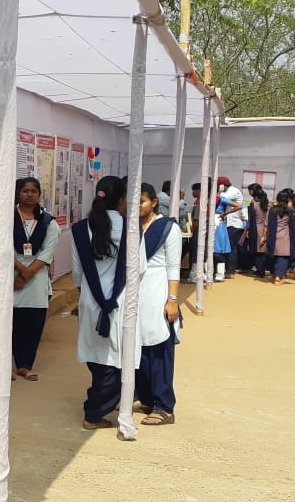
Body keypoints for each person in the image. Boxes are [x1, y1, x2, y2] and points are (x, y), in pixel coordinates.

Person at [71, 176, 129, 430]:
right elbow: (138, 270)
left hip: (90, 299)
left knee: (96, 353)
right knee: (115, 357)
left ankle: (100, 402)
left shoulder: (81, 228)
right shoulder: (130, 228)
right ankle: (94, 411)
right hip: (119, 301)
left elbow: (76, 271)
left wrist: (87, 294)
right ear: (121, 201)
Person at [135, 183, 182, 426]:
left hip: (158, 290)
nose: (137, 206)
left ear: (154, 202)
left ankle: (164, 406)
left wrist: (172, 300)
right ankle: (145, 398)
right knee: (138, 348)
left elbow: (173, 267)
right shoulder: (129, 226)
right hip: (135, 293)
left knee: (160, 349)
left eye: (142, 201)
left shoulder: (168, 228)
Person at [12, 177, 59, 382]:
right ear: (17, 193)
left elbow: (48, 252)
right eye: (25, 191)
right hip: (11, 271)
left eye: (34, 191)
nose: (29, 195)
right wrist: (21, 270)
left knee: (33, 324)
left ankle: (24, 365)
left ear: (39, 194)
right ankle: (7, 365)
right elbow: (2, 247)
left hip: (37, 277)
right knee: (10, 323)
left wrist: (27, 275)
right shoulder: (8, 217)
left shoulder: (48, 221)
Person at [267, 189, 295, 286]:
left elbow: (268, 223)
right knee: (283, 258)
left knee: (274, 257)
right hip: (285, 238)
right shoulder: (289, 211)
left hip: (273, 237)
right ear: (287, 200)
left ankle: (274, 275)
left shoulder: (272, 210)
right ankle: (278, 278)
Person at [217, 176, 246, 278]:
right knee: (229, 247)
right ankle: (228, 269)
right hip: (229, 222)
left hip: (234, 223)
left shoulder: (233, 191)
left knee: (231, 248)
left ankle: (231, 270)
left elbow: (220, 199)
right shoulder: (228, 191)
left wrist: (218, 192)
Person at [243, 187, 270, 277]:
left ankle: (259, 270)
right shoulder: (269, 205)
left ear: (257, 197)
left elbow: (251, 219)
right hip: (266, 228)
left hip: (256, 228)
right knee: (263, 250)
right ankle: (261, 269)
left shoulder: (255, 205)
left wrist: (248, 230)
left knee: (257, 250)